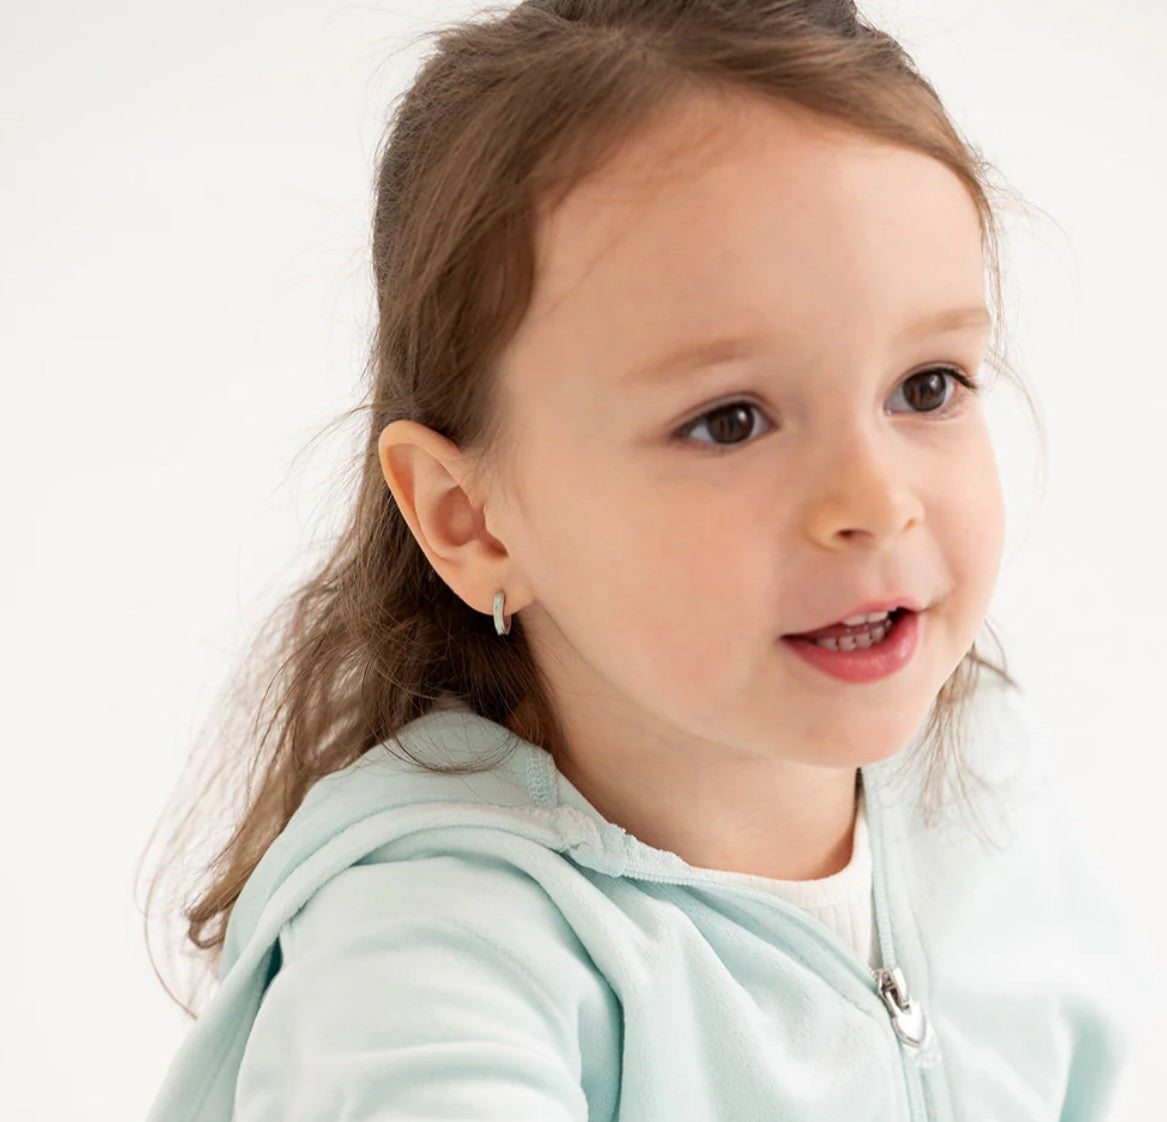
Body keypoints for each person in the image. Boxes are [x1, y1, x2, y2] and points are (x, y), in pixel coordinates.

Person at [140, 1, 1152, 1119]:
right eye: (729, 420)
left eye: (927, 386)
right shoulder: (429, 954)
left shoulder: (982, 778)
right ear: (473, 522)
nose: (876, 503)